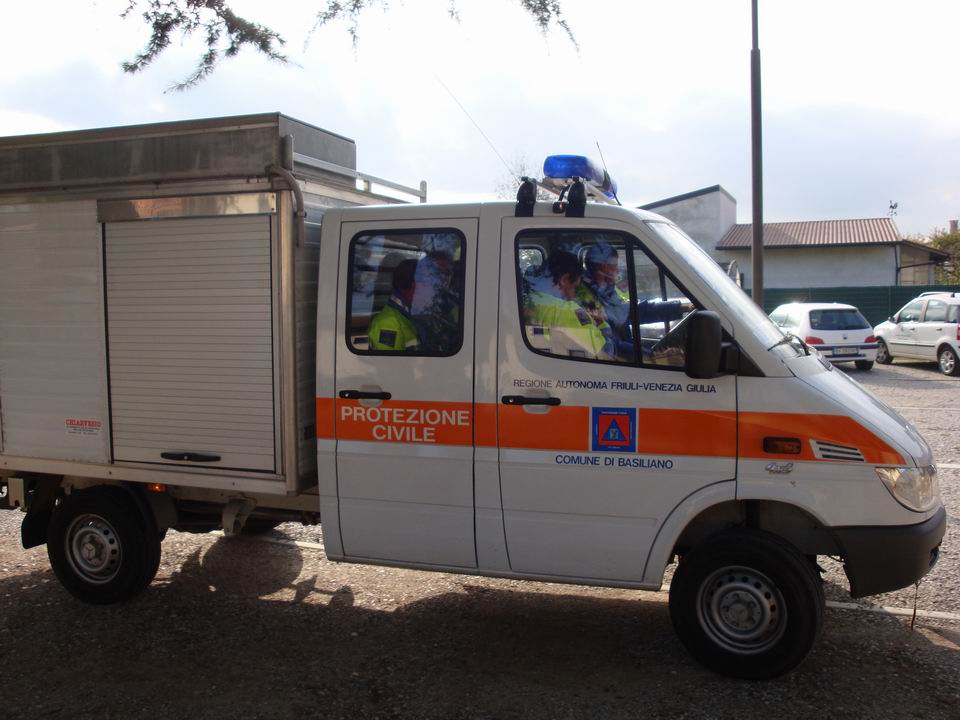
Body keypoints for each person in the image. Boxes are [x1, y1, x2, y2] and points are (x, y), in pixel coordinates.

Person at [524, 250, 612, 359]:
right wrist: (603, 325)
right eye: (574, 287)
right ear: (564, 279)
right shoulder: (567, 311)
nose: (573, 296)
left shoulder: (530, 300)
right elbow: (604, 354)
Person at [576, 242, 634, 361]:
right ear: (602, 267)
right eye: (614, 265)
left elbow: (624, 312)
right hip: (609, 356)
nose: (617, 270)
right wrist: (647, 354)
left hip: (619, 346)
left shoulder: (606, 288)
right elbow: (612, 330)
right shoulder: (585, 296)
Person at [368, 258, 421, 351]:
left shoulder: (411, 314)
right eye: (427, 285)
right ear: (415, 286)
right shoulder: (388, 324)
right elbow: (390, 361)